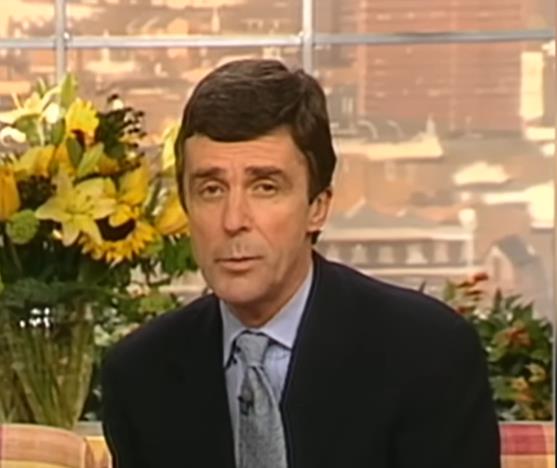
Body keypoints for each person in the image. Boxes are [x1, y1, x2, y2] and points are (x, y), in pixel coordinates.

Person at [101, 58, 501, 468]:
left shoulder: (427, 354)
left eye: (265, 187)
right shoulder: (139, 375)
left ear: (317, 207)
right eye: (211, 189)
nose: (233, 220)